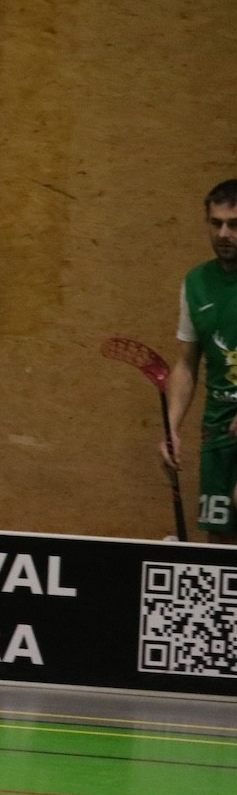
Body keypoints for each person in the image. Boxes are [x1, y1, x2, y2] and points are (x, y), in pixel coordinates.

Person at [163, 179, 237, 544]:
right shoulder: (196, 284)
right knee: (220, 541)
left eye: (234, 225)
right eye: (216, 223)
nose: (224, 234)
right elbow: (187, 364)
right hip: (218, 430)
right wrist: (172, 428)